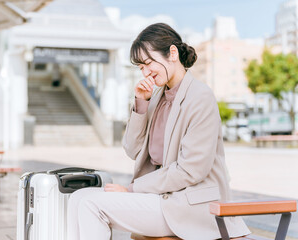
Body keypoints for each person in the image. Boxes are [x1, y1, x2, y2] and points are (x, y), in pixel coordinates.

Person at [67, 23, 250, 240]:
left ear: (172, 53)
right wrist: (141, 104)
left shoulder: (200, 97)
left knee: (91, 204)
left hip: (192, 207)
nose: (145, 72)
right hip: (162, 198)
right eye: (140, 67)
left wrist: (132, 190)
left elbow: (191, 170)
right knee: (79, 198)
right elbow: (132, 149)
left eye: (148, 63)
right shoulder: (156, 96)